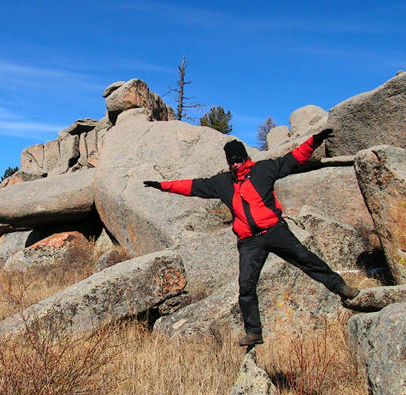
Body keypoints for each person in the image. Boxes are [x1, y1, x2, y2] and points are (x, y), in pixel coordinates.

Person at [143, 127, 359, 349]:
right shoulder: (223, 182)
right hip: (249, 241)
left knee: (305, 258)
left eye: (238, 159)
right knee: (245, 285)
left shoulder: (263, 170)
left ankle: (342, 288)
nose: (235, 164)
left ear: (245, 157)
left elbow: (292, 160)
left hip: (274, 230)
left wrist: (314, 141)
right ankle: (254, 332)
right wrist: (163, 186)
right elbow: (193, 186)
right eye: (231, 161)